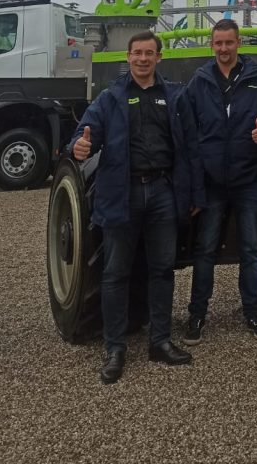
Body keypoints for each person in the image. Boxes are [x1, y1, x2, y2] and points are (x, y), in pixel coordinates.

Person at [69, 31, 205, 384]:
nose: (143, 59)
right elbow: (85, 134)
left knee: (162, 270)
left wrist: (193, 195)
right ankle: (115, 348)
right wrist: (79, 148)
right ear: (127, 58)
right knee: (116, 273)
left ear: (160, 58)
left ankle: (160, 341)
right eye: (137, 53)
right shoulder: (110, 98)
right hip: (121, 194)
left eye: (149, 53)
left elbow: (190, 149)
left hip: (162, 192)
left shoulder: (175, 96)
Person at [184, 19, 257, 343]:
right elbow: (187, 128)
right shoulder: (199, 82)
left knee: (250, 248)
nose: (223, 49)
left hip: (248, 178)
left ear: (239, 42)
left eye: (229, 43)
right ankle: (197, 314)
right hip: (212, 183)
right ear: (212, 45)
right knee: (205, 249)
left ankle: (253, 310)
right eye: (218, 43)